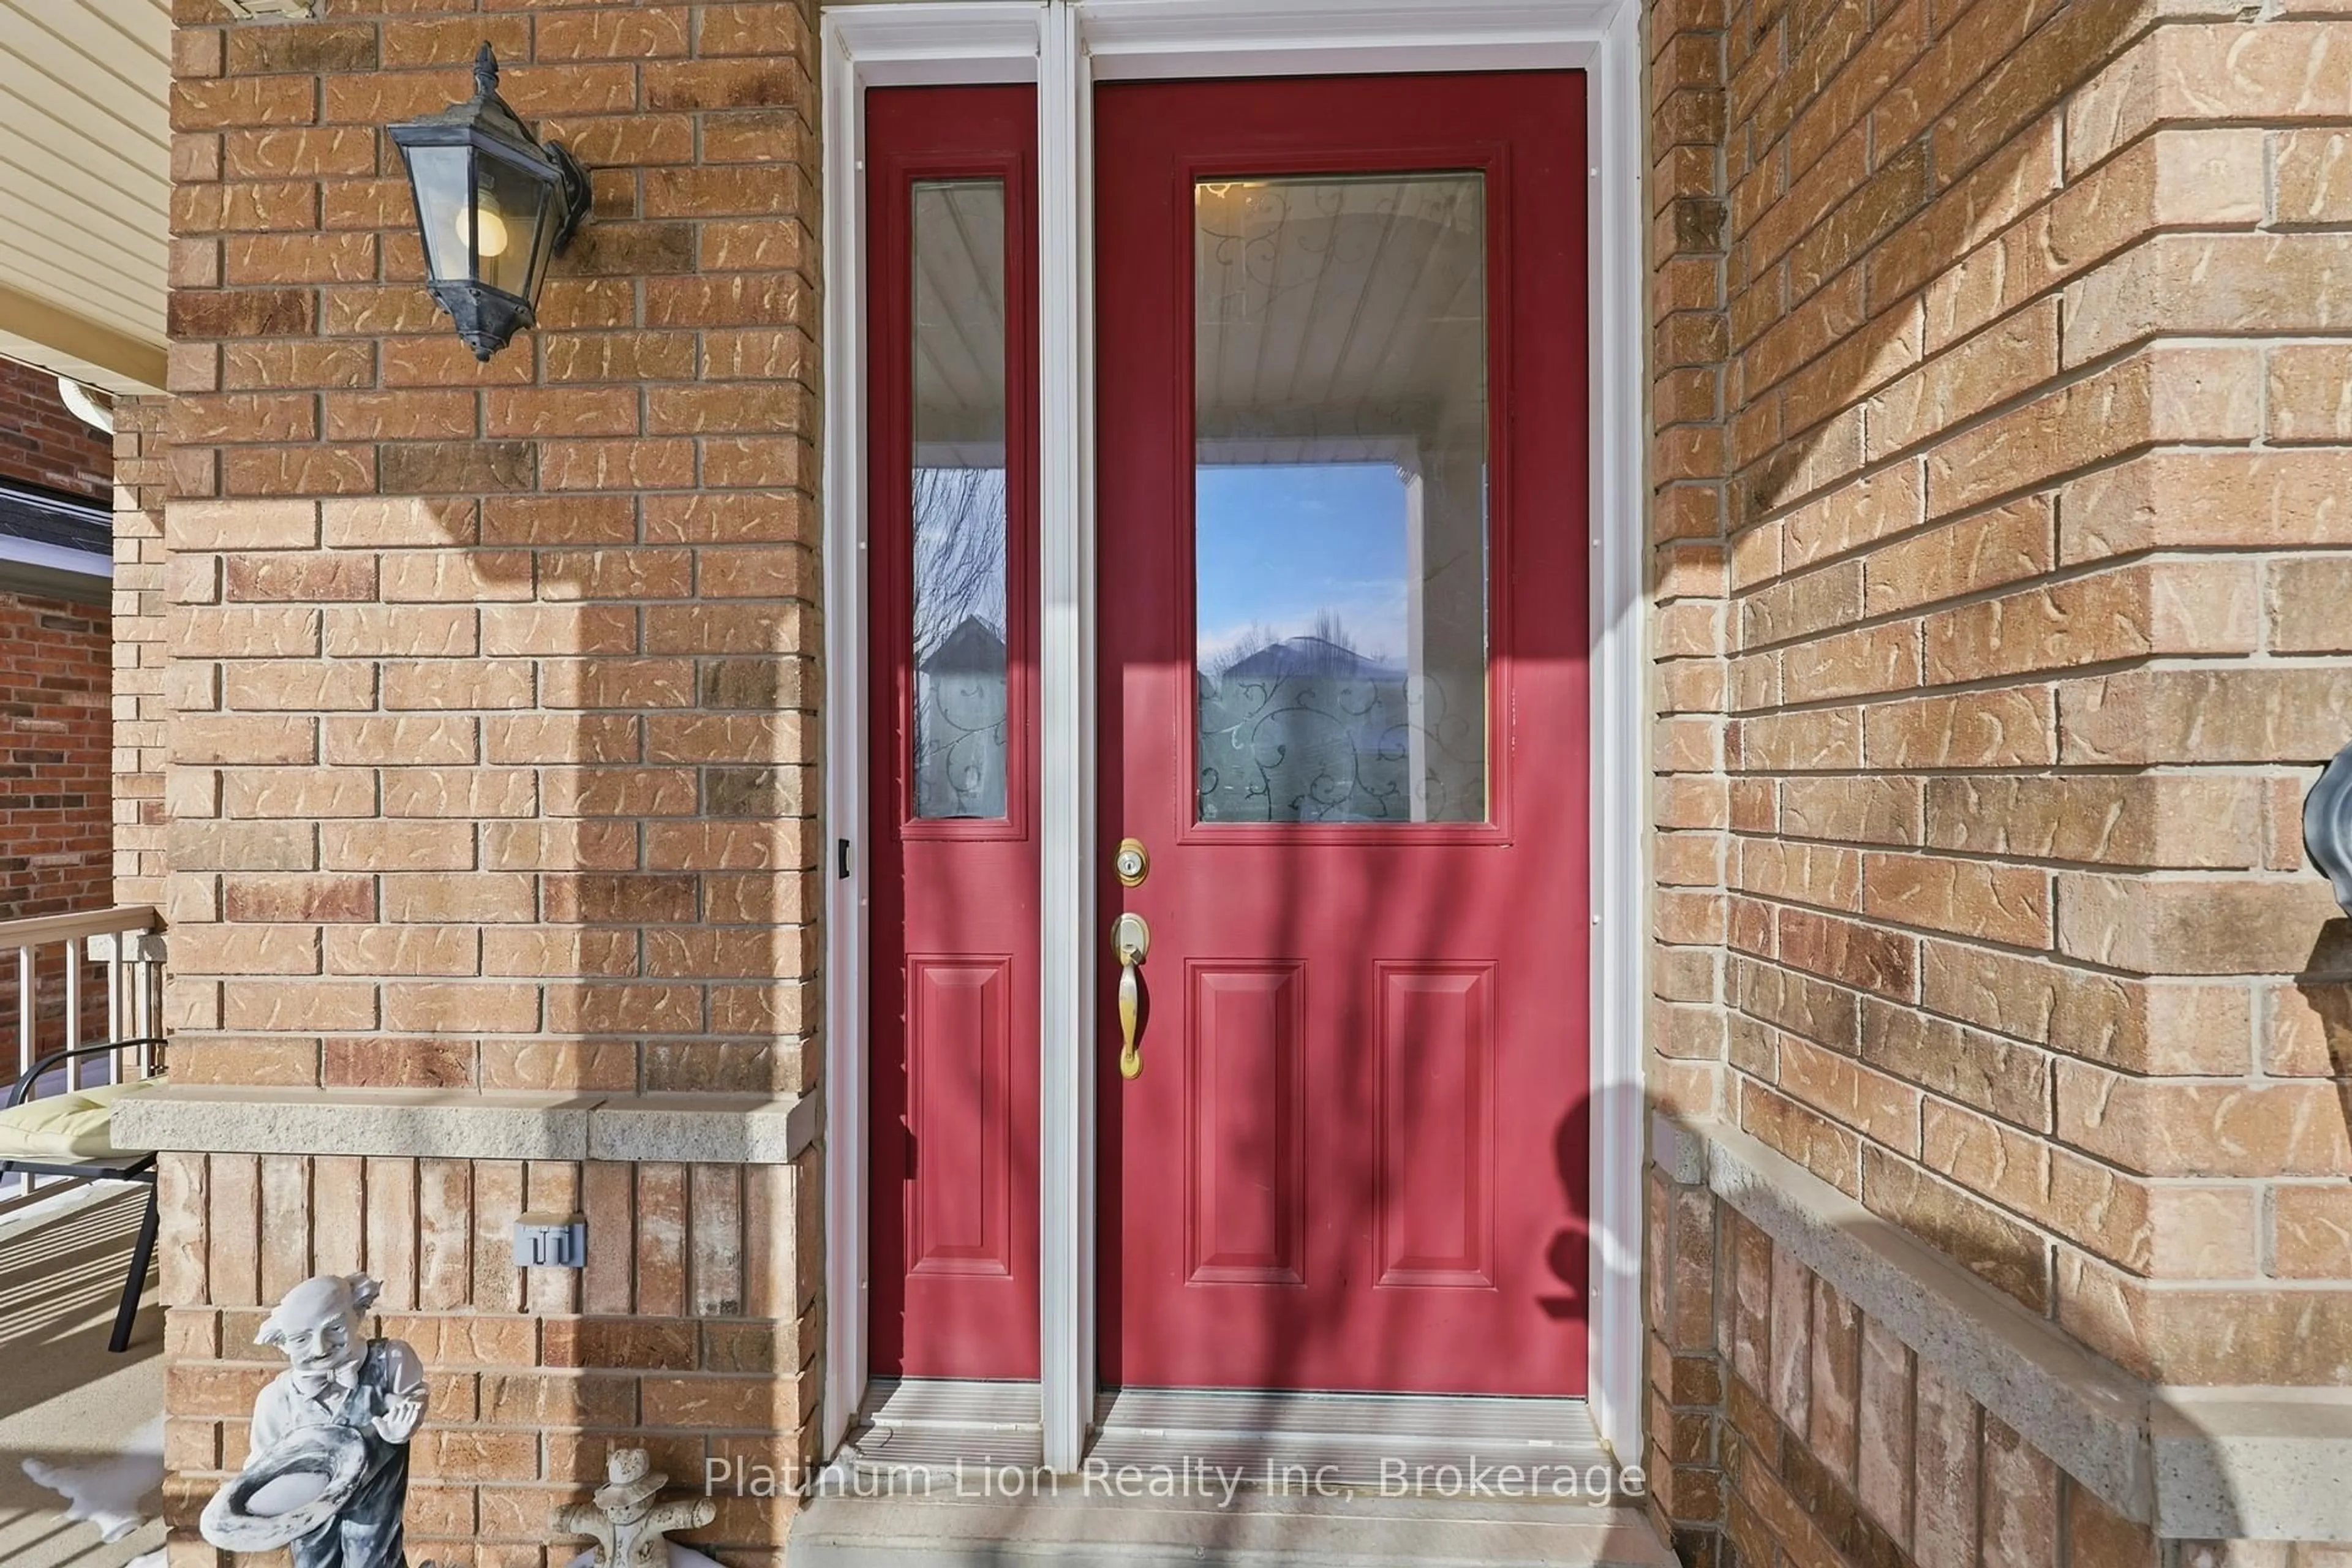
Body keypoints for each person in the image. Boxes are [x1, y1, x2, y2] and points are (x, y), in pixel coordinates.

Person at [245, 1273, 429, 1568]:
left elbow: (413, 1400)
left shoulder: (391, 1363)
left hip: (376, 1516)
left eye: (335, 1328)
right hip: (310, 1515)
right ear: (283, 1342)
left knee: (372, 1559)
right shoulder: (277, 1399)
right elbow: (259, 1469)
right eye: (302, 1339)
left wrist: (400, 1430)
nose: (320, 1348)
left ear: (358, 1313)